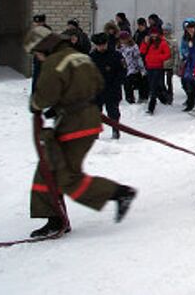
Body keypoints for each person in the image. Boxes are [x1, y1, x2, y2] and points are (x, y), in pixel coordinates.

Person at [23, 26, 136, 238]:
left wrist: (37, 105)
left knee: (67, 177)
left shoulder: (54, 62)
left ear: (43, 47)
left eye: (36, 53)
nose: (37, 58)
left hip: (74, 126)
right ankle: (54, 218)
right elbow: (98, 83)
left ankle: (119, 193)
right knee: (47, 167)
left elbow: (43, 96)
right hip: (86, 119)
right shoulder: (80, 56)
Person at [90, 32, 125, 139]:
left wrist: (116, 83)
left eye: (103, 44)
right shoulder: (91, 57)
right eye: (99, 45)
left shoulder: (116, 55)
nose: (101, 47)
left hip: (112, 89)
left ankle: (115, 130)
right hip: (97, 91)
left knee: (113, 112)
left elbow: (123, 71)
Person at [139, 26, 171, 115]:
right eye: (152, 33)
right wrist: (145, 43)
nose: (153, 35)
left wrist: (157, 58)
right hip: (149, 67)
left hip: (158, 67)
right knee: (154, 85)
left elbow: (167, 54)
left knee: (153, 87)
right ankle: (164, 99)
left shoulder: (163, 43)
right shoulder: (148, 42)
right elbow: (142, 51)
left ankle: (151, 107)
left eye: (155, 33)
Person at [117, 31, 146, 104]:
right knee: (127, 85)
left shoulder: (133, 46)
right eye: (121, 39)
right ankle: (129, 99)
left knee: (138, 83)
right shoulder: (119, 47)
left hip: (134, 68)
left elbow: (138, 57)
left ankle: (142, 97)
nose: (123, 41)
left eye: (124, 39)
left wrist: (141, 68)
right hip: (124, 69)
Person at [179, 19, 195, 112]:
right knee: (186, 82)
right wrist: (185, 54)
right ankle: (190, 101)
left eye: (192, 28)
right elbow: (182, 48)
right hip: (188, 63)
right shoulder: (185, 38)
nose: (190, 30)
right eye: (188, 28)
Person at [31, 14, 51, 94]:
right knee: (36, 76)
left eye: (39, 22)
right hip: (37, 57)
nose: (37, 24)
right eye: (36, 22)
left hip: (45, 57)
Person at [133, 18, 150, 103]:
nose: (139, 27)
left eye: (141, 25)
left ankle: (145, 95)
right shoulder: (137, 33)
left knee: (145, 77)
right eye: (139, 25)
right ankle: (141, 95)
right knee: (139, 77)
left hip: (146, 57)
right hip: (138, 56)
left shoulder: (148, 34)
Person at [162, 23, 179, 105]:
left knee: (169, 81)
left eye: (166, 30)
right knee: (161, 81)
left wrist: (175, 64)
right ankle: (164, 95)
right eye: (164, 30)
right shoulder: (160, 40)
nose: (165, 32)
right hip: (161, 63)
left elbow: (176, 53)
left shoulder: (173, 41)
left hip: (170, 64)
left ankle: (170, 96)